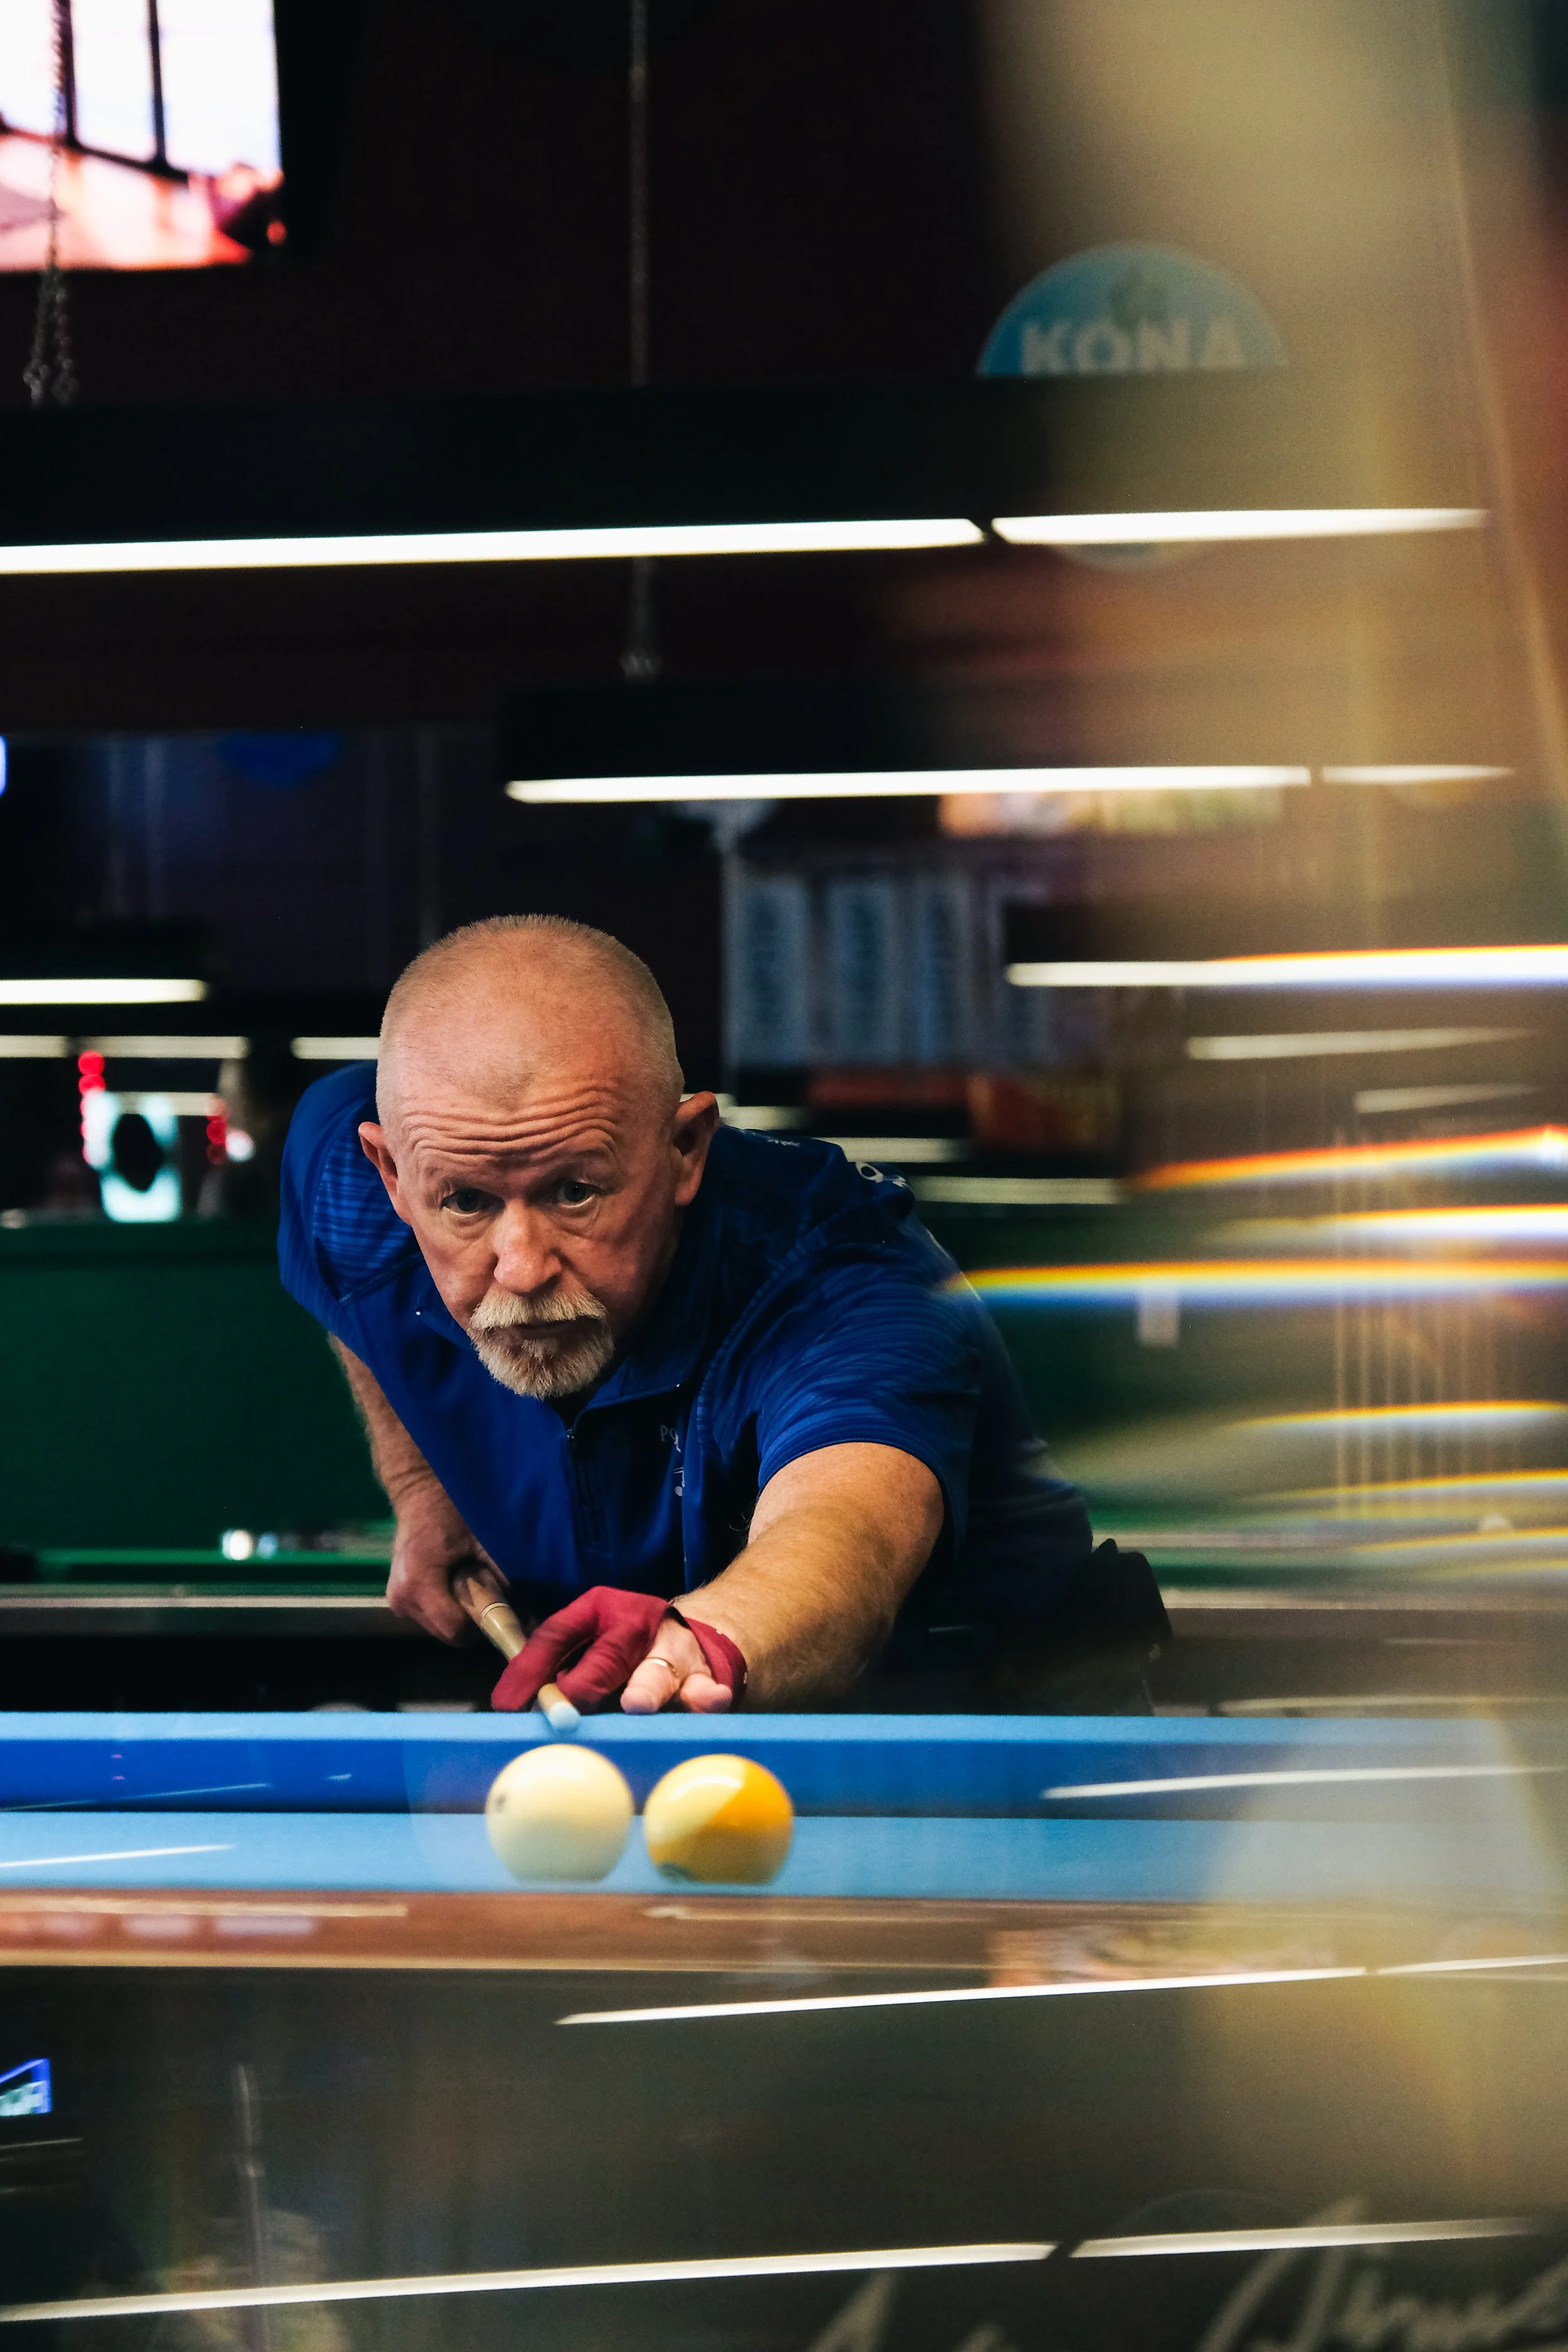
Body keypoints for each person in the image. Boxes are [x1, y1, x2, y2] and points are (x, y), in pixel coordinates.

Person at [278, 915, 1165, 1714]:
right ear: (394, 1175)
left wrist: (709, 1638)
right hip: (654, 1717)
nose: (522, 1267)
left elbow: (845, 1532)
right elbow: (347, 1282)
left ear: (684, 1148)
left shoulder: (840, 1277)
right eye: (467, 1203)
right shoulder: (358, 1180)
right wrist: (422, 1486)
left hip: (982, 1737)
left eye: (575, 1191)